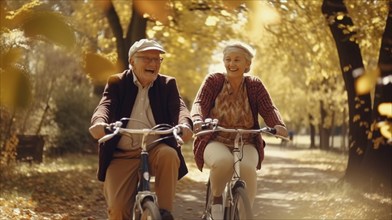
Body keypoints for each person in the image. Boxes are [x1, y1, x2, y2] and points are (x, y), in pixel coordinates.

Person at [89, 39, 193, 220]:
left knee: (169, 154)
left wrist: (185, 124)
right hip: (122, 154)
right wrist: (99, 122)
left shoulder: (167, 84)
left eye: (158, 59)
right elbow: (105, 105)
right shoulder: (117, 82)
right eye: (146, 58)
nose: (153, 63)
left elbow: (180, 109)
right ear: (132, 61)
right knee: (118, 210)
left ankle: (163, 212)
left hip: (155, 149)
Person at [191, 41, 288, 219]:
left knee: (246, 169)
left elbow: (268, 108)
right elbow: (200, 103)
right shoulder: (214, 80)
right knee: (223, 162)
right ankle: (217, 198)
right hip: (216, 138)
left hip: (247, 140)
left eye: (237, 60)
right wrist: (197, 120)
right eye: (228, 59)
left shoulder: (254, 85)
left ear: (247, 64)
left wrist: (278, 125)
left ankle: (245, 216)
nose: (231, 64)